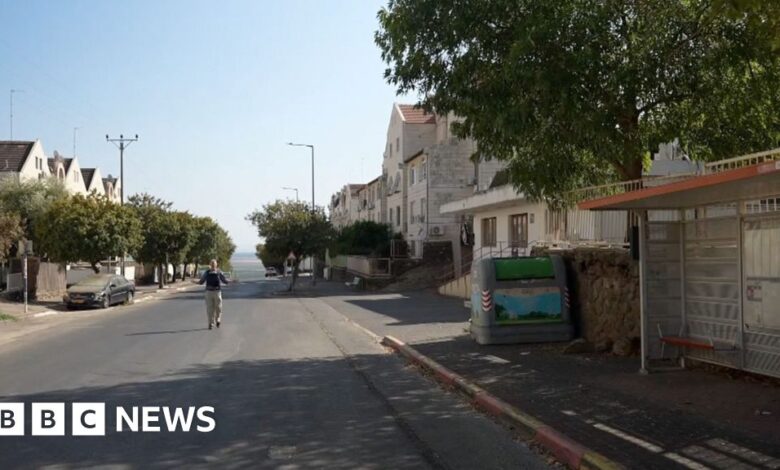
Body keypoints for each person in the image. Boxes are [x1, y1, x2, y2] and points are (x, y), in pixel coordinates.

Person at [197, 259, 229, 330]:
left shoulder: (219, 272)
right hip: (208, 292)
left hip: (217, 292)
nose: (213, 265)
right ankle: (211, 323)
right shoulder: (207, 272)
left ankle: (218, 320)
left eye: (214, 264)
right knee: (210, 309)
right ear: (210, 265)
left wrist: (231, 281)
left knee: (218, 308)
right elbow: (201, 281)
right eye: (212, 264)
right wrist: (194, 282)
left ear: (216, 265)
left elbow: (224, 280)